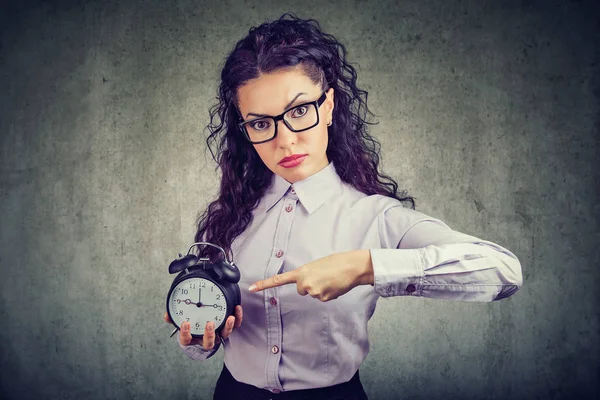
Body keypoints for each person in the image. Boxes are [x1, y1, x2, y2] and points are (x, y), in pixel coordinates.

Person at [163, 12, 523, 400]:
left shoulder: (377, 217)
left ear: (329, 105)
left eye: (299, 111)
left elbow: (503, 271)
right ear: (244, 129)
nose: (284, 141)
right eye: (261, 123)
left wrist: (363, 267)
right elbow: (205, 341)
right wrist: (200, 339)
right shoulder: (232, 218)